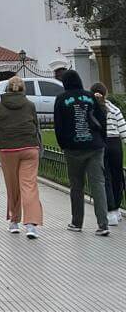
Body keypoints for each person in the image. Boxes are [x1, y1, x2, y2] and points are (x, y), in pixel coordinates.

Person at [54, 69, 109, 235]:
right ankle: (103, 224)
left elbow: (58, 124)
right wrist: (102, 140)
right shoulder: (90, 96)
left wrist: (63, 144)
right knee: (98, 184)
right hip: (95, 146)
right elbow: (101, 119)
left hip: (73, 148)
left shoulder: (61, 99)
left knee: (76, 186)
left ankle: (77, 222)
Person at [0, 76, 44, 239]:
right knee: (29, 186)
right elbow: (35, 124)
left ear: (7, 89)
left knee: (13, 186)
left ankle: (14, 222)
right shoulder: (30, 105)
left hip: (8, 149)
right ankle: (31, 225)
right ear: (23, 89)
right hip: (29, 148)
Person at [91, 83, 125, 227]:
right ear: (106, 93)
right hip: (115, 144)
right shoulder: (114, 109)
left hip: (101, 144)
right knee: (117, 176)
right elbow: (123, 130)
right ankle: (117, 209)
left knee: (105, 177)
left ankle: (110, 211)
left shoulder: (91, 109)